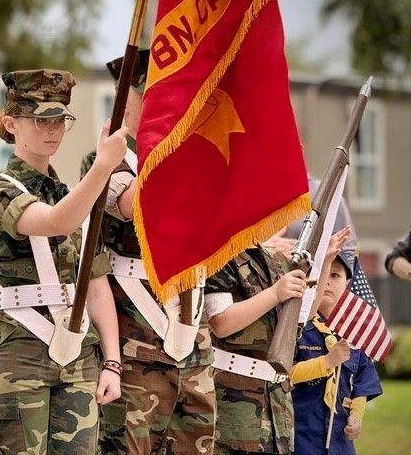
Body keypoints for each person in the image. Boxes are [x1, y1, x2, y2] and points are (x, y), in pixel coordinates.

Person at [0, 69, 127, 454]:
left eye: (60, 119)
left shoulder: (72, 193)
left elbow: (96, 284)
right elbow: (55, 222)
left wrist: (112, 362)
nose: (53, 129)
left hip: (78, 354)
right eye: (41, 120)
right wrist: (102, 168)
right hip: (20, 352)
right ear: (11, 124)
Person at [81, 50, 216, 455]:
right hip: (137, 341)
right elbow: (132, 205)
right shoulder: (108, 160)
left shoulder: (198, 155)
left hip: (191, 338)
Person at [204, 245, 308, 455]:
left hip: (277, 400)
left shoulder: (273, 257)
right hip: (234, 399)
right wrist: (275, 293)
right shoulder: (219, 253)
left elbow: (302, 316)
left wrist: (325, 260)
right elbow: (221, 323)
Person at [292, 250, 383, 455]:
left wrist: (356, 416)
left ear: (347, 283)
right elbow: (285, 374)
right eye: (323, 274)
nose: (327, 282)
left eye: (335, 275)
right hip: (300, 438)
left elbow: (362, 382)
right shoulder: (297, 328)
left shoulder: (353, 333)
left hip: (340, 442)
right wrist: (327, 362)